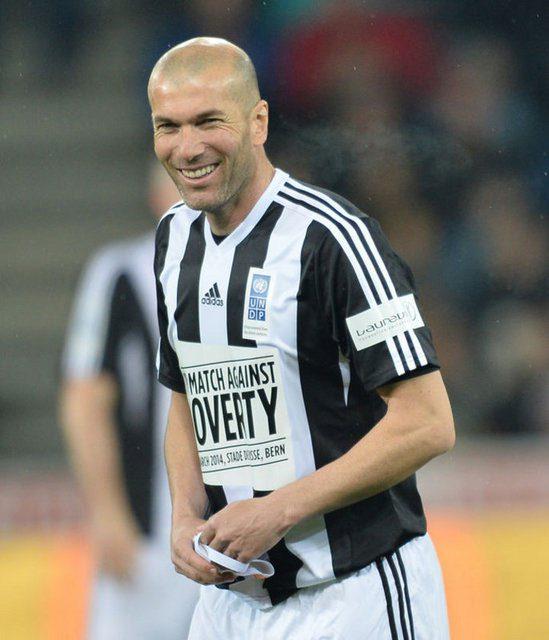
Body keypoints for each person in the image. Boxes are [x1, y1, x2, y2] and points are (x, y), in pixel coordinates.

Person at [149, 37, 455, 639]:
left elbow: (427, 422)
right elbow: (187, 397)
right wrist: (184, 513)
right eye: (168, 127)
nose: (187, 147)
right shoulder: (173, 239)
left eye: (209, 121)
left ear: (258, 122)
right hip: (231, 607)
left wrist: (279, 509)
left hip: (354, 594)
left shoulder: (334, 239)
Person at [59, 164, 199, 640]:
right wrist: (107, 512)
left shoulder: (258, 266)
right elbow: (85, 399)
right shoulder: (120, 272)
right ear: (156, 196)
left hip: (236, 529)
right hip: (148, 534)